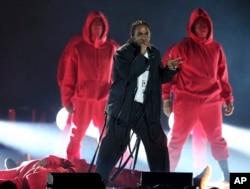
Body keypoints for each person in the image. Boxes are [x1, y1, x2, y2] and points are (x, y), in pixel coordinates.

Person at [94, 20, 182, 186]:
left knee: (158, 143)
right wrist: (142, 54)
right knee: (112, 147)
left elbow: (158, 79)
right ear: (132, 36)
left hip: (146, 110)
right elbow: (130, 74)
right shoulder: (122, 53)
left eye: (146, 34)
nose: (144, 37)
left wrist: (169, 70)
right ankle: (99, 182)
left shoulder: (154, 52)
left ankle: (162, 184)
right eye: (140, 34)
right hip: (123, 109)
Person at [162, 8, 234, 185]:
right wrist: (165, 98)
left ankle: (227, 177)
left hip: (212, 102)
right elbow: (168, 73)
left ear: (210, 27)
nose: (202, 27)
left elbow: (222, 75)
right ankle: (166, 177)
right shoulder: (182, 48)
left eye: (205, 24)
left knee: (217, 139)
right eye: (198, 24)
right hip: (187, 101)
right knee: (177, 139)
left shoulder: (217, 48)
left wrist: (228, 98)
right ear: (191, 27)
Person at [59, 11, 119, 161]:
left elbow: (120, 74)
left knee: (107, 136)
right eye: (95, 23)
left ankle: (106, 169)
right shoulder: (78, 48)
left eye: (101, 23)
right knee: (76, 136)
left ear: (105, 27)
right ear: (88, 26)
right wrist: (67, 100)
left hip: (104, 99)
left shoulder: (112, 48)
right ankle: (73, 167)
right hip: (82, 99)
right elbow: (69, 76)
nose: (98, 26)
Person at [0, 155, 76, 189]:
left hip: (23, 180)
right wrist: (48, 160)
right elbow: (69, 164)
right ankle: (13, 167)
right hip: (26, 168)